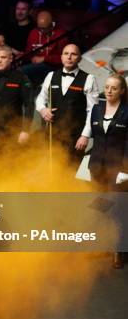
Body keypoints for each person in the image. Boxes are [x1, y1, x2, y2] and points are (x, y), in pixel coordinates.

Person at [87, 74, 128, 269]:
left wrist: (125, 169)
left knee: (118, 210)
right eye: (107, 87)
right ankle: (102, 245)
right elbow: (95, 139)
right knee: (101, 209)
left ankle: (118, 251)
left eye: (114, 87)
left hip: (117, 169)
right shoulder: (96, 109)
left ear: (122, 91)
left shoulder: (127, 112)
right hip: (97, 167)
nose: (109, 90)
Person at [36, 44, 99, 167]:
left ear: (80, 58)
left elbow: (93, 111)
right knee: (49, 171)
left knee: (69, 174)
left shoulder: (89, 79)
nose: (69, 57)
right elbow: (40, 99)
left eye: (73, 54)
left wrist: (85, 135)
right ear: (61, 57)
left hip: (75, 137)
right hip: (51, 134)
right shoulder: (51, 76)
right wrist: (43, 109)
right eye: (66, 53)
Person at [20, 10, 69, 87]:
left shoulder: (60, 34)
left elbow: (64, 58)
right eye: (39, 28)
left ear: (51, 25)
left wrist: (44, 58)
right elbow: (28, 52)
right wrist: (22, 56)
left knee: (20, 72)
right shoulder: (34, 32)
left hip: (51, 65)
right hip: (35, 65)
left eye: (44, 28)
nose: (41, 31)